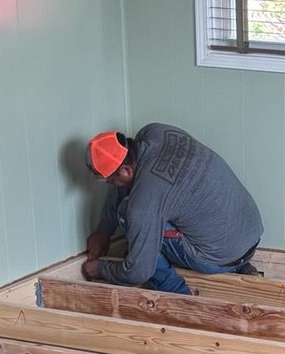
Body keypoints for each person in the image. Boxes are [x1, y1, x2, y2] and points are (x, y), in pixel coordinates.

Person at [82, 123, 263, 294]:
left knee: (127, 215)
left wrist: (101, 269)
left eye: (110, 181)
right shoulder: (156, 132)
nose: (111, 186)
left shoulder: (144, 203)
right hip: (249, 236)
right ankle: (239, 268)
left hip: (217, 259)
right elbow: (128, 183)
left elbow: (138, 272)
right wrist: (103, 232)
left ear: (126, 170)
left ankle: (176, 293)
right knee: (163, 212)